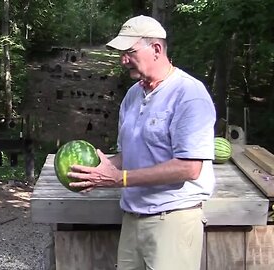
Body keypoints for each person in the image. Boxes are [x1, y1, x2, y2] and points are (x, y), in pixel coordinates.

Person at [67, 15, 216, 270]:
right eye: (122, 53)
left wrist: (119, 179)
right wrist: (97, 170)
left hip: (173, 220)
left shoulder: (189, 95)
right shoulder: (133, 95)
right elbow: (129, 155)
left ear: (156, 49)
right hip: (133, 219)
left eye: (129, 52)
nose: (123, 60)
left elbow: (190, 167)